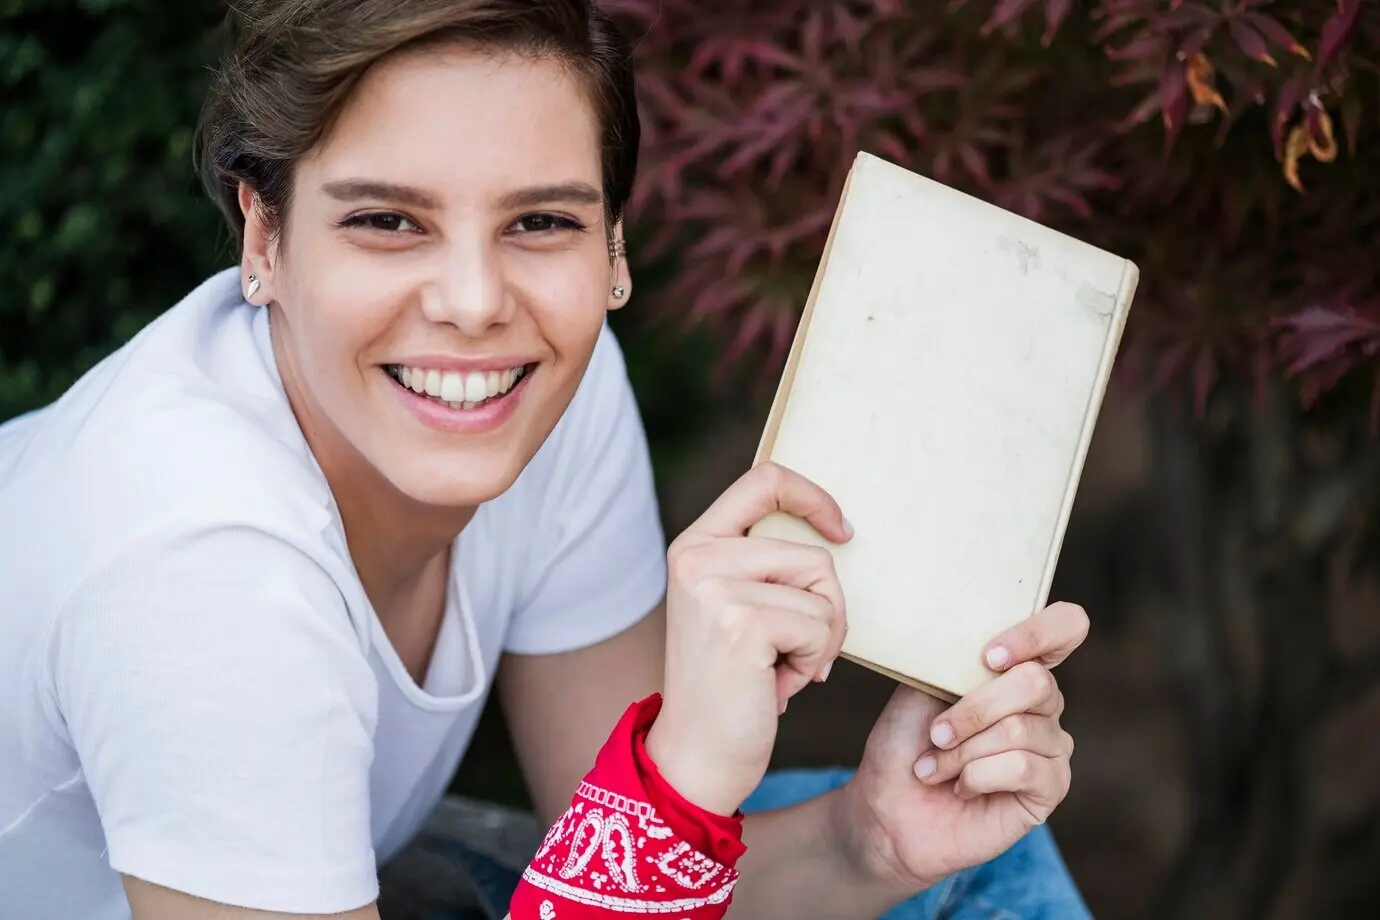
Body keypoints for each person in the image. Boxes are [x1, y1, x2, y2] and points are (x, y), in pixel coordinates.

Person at [0, 2, 1092, 919]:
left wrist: (873, 842)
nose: (476, 306)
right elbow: (641, 840)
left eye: (539, 223)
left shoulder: (550, 393)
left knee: (967, 862)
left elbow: (629, 852)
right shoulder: (200, 573)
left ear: (615, 245)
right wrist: (681, 779)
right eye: (386, 220)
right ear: (263, 239)